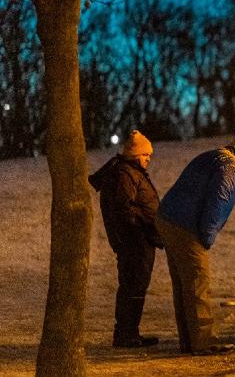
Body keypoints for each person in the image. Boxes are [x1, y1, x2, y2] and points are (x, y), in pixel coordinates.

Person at [155, 130, 235, 355]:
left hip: (168, 218)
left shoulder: (214, 156)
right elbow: (218, 201)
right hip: (186, 226)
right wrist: (208, 235)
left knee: (183, 283)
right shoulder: (229, 167)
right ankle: (204, 342)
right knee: (197, 281)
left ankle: (188, 341)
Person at [89, 130, 163, 348]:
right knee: (133, 286)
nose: (149, 158)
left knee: (136, 286)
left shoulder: (131, 172)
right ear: (135, 153)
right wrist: (144, 224)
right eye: (146, 154)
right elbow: (124, 207)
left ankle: (130, 332)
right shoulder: (125, 173)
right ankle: (125, 334)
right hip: (135, 241)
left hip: (139, 240)